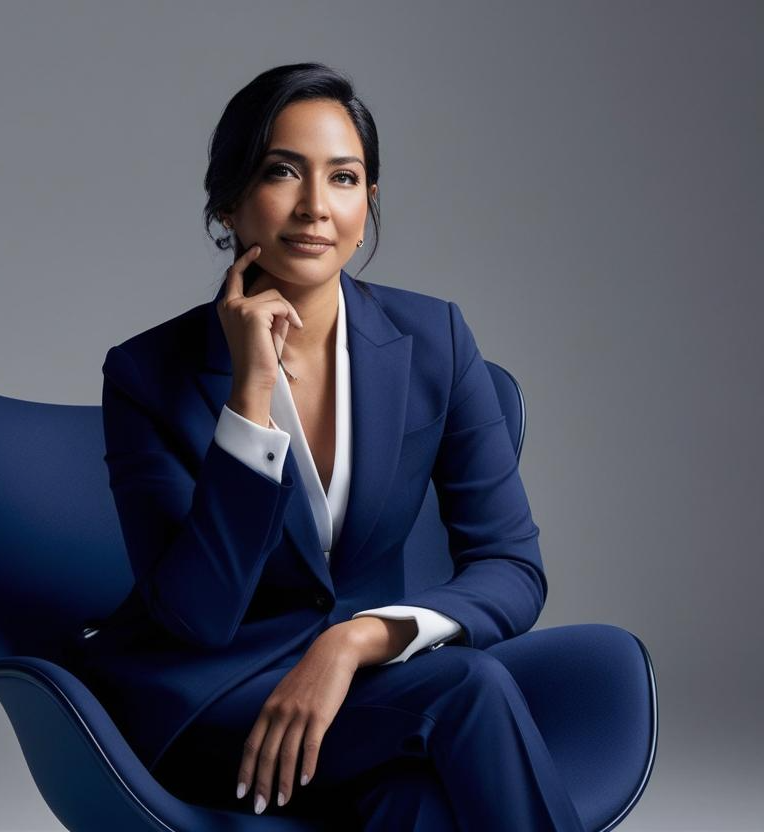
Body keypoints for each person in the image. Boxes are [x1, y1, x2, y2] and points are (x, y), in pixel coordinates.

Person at [67, 63, 591, 831]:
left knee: (413, 808)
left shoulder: (435, 340)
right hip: (213, 701)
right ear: (230, 201)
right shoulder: (148, 374)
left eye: (343, 179)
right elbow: (196, 617)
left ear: (367, 201)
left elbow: (512, 568)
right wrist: (248, 400)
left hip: (368, 694)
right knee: (467, 689)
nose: (316, 208)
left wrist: (354, 643)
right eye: (283, 172)